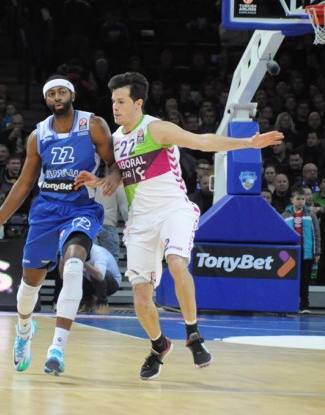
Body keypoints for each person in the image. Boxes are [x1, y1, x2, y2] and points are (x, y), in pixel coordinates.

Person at [75, 72, 284, 380]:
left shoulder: (156, 129)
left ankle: (194, 335)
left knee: (176, 261)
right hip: (140, 220)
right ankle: (159, 346)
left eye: (121, 101)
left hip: (173, 209)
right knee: (141, 297)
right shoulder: (116, 140)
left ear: (138, 103)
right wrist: (100, 181)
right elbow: (122, 174)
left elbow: (202, 141)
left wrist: (247, 143)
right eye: (113, 102)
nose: (115, 107)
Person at [0, 75, 121, 376]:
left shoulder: (93, 125)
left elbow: (113, 163)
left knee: (74, 265)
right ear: (46, 100)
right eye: (51, 93)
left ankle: (57, 348)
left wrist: (111, 178)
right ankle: (24, 330)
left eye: (62, 92)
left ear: (72, 95)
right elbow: (24, 183)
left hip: (81, 208)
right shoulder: (38, 135)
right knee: (30, 284)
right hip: (46, 212)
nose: (57, 97)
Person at [281, 187, 321, 313]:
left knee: (304, 279)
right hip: (291, 253)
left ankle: (304, 306)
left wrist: (317, 252)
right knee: (290, 279)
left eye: (303, 199)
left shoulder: (310, 214)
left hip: (306, 252)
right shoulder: (284, 215)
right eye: (298, 199)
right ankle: (289, 304)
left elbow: (316, 234)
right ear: (291, 200)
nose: (300, 201)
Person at [77, 244, 123, 314]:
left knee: (96, 274)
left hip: (111, 284)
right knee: (73, 274)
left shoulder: (99, 252)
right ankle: (87, 302)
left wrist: (84, 263)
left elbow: (100, 276)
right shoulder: (73, 252)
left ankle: (103, 303)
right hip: (90, 281)